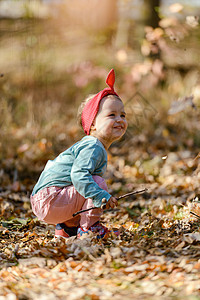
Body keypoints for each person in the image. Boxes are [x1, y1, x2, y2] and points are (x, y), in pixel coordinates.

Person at [30, 69, 128, 238]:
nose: (119, 119)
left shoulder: (94, 146)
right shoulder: (93, 146)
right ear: (93, 125)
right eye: (111, 115)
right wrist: (101, 196)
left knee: (90, 186)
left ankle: (67, 228)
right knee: (96, 183)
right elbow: (79, 175)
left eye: (123, 115)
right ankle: (89, 229)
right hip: (50, 199)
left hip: (47, 199)